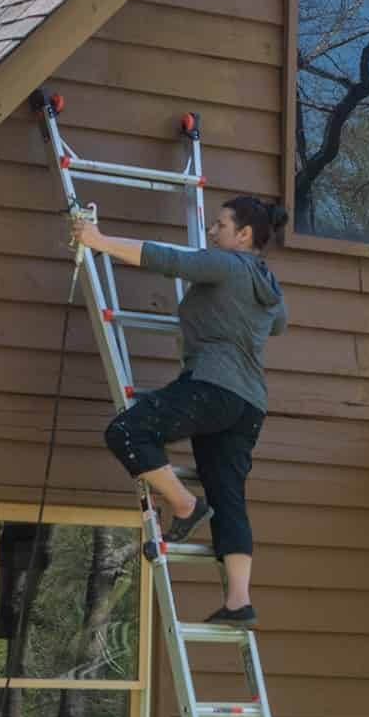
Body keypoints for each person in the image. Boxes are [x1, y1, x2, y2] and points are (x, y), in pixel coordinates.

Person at [72, 196, 289, 626]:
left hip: (213, 385)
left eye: (220, 225)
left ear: (243, 235)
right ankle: (238, 601)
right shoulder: (270, 285)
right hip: (249, 405)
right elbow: (279, 322)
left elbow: (168, 259)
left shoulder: (228, 265)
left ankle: (186, 506)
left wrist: (97, 240)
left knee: (127, 433)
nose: (212, 232)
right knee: (229, 496)